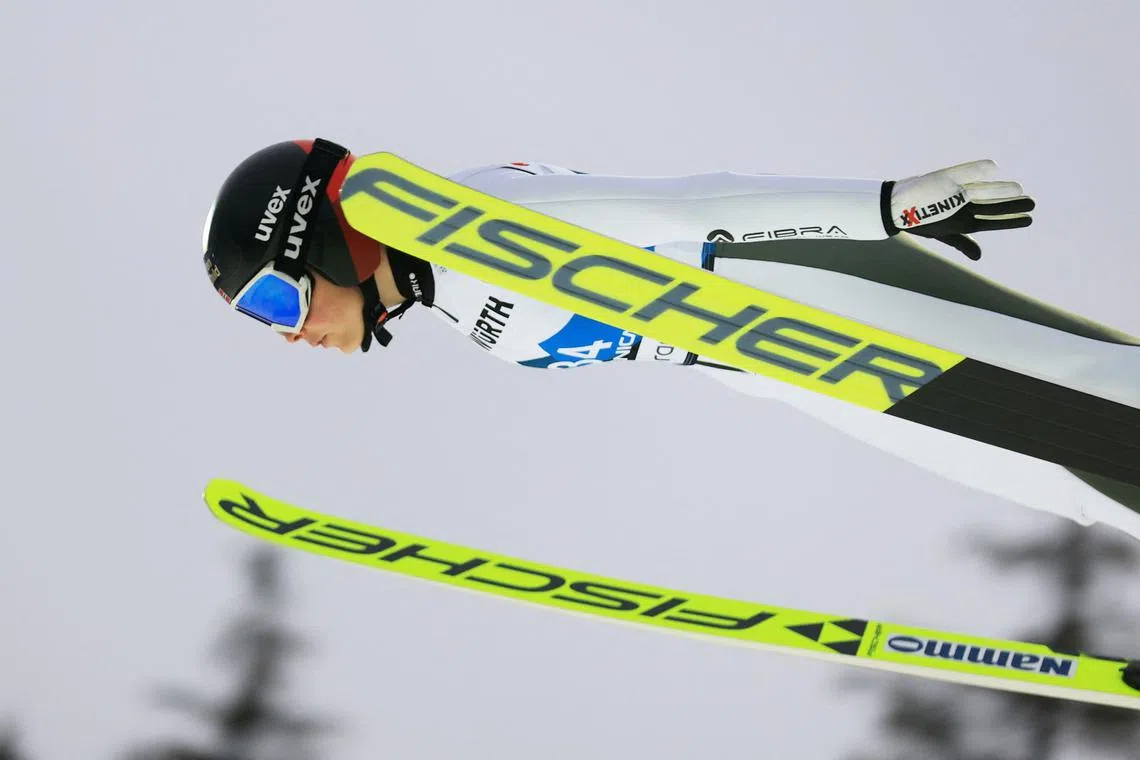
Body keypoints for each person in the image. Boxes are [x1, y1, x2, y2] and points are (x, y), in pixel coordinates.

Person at [202, 138, 1140, 541]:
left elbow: (690, 204)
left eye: (278, 304)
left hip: (817, 299)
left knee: (1093, 408)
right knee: (1072, 482)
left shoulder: (471, 217)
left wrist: (884, 208)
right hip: (784, 362)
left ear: (316, 241)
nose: (291, 336)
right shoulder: (451, 292)